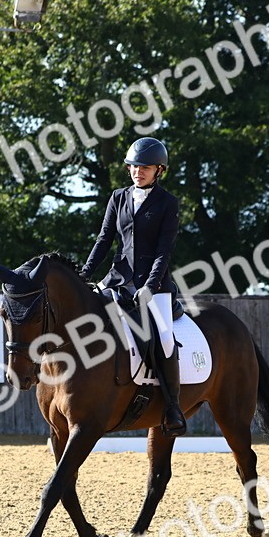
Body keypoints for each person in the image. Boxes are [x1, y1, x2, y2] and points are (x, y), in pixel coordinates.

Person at [79, 137, 186, 437]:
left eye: (146, 167)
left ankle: (172, 407)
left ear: (159, 170)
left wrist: (151, 285)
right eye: (134, 166)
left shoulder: (167, 203)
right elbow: (104, 239)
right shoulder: (118, 197)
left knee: (164, 338)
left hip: (155, 285)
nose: (138, 171)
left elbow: (164, 251)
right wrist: (84, 273)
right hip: (117, 279)